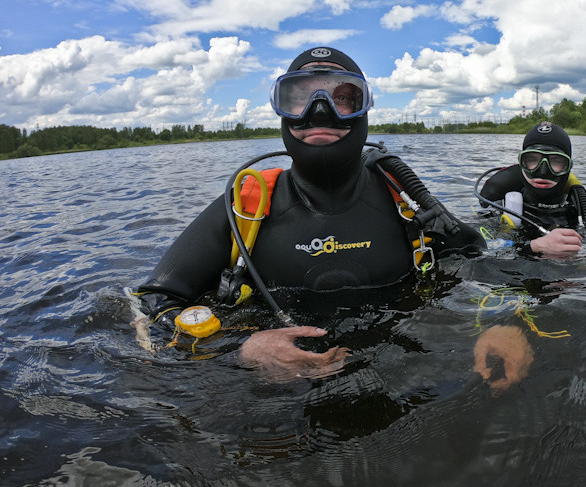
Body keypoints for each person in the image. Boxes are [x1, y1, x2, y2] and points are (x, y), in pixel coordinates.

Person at [133, 46, 485, 381]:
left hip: (403, 372)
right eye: (300, 98)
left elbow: (480, 262)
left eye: (343, 98)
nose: (320, 111)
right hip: (276, 397)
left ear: (364, 109)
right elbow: (149, 305)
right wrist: (238, 347)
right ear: (283, 111)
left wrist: (500, 326)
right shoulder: (247, 206)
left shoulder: (404, 199)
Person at [478, 121, 586, 256]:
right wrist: (533, 247)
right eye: (532, 159)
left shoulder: (580, 212)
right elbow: (477, 249)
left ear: (567, 167)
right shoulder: (501, 209)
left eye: (556, 161)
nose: (543, 171)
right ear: (522, 164)